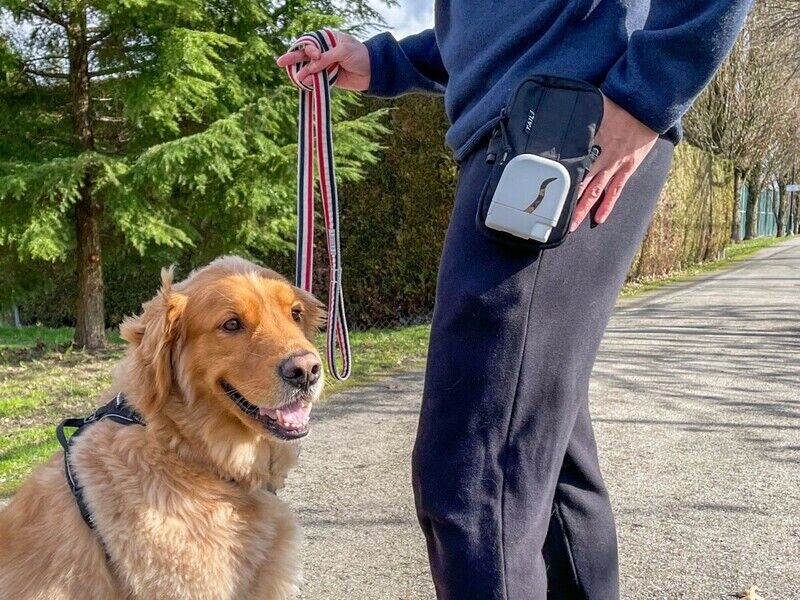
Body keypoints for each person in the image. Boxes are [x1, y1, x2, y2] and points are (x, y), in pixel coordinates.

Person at [278, 2, 753, 598]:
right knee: (543, 472)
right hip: (533, 133)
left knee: (474, 477)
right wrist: (384, 60)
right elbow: (499, 24)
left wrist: (647, 94)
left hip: (563, 133)